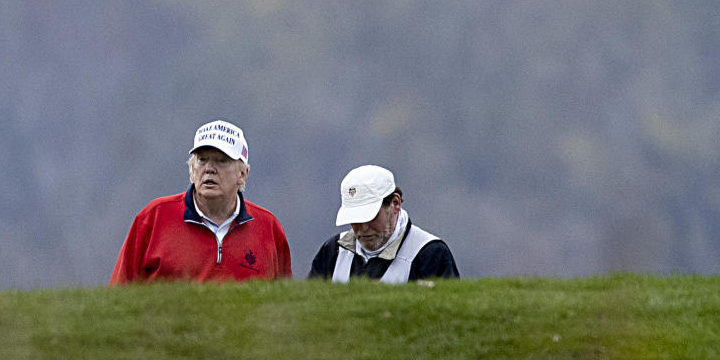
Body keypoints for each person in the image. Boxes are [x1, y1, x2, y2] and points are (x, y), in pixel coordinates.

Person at [110, 120, 292, 283]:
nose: (209, 169)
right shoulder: (153, 218)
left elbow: (285, 308)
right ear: (191, 170)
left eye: (221, 161)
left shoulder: (269, 228)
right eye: (202, 160)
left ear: (242, 174)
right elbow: (118, 300)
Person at [308, 165, 459, 282]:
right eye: (355, 219)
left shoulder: (430, 255)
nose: (363, 228)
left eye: (370, 216)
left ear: (395, 203)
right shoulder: (332, 252)